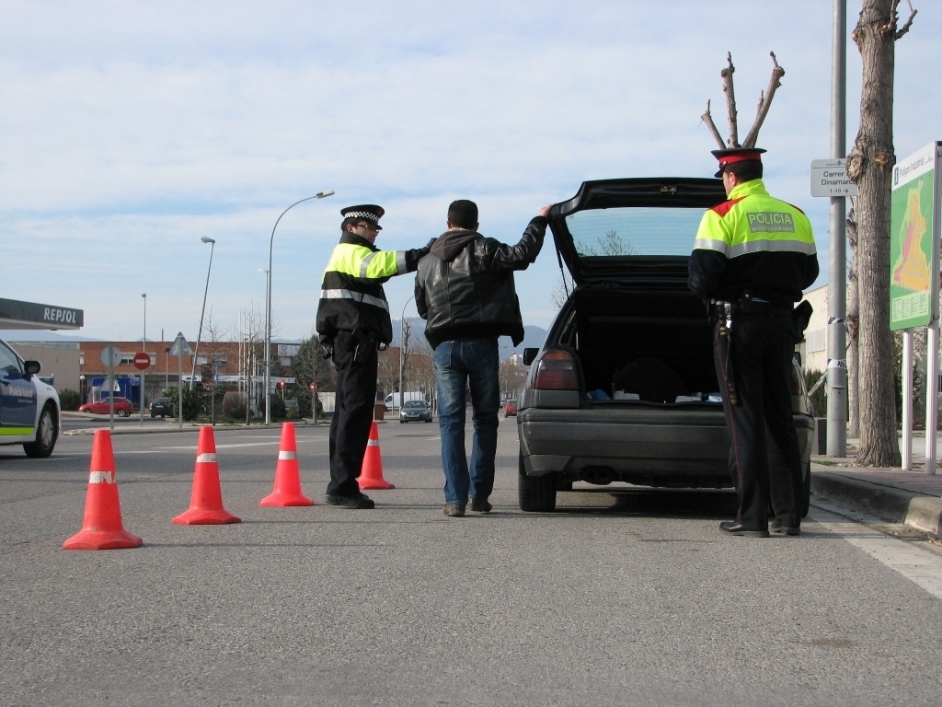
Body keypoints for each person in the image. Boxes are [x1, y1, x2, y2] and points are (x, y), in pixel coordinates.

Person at [688, 148, 819, 537]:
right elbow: (809, 271)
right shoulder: (795, 214)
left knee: (745, 420)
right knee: (780, 419)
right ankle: (789, 515)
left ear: (730, 178)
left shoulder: (722, 215)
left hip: (737, 326)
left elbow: (701, 278)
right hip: (781, 325)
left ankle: (751, 516)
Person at [415, 199, 550, 517]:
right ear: (476, 225)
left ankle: (454, 500)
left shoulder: (426, 259)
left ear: (448, 224)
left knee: (450, 422)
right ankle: (479, 495)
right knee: (486, 420)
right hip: (482, 344)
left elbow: (423, 309)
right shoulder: (485, 248)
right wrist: (539, 220)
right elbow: (523, 254)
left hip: (445, 346)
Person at [316, 204, 431, 509]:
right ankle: (342, 486)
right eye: (370, 227)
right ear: (352, 227)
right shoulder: (351, 252)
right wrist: (422, 253)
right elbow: (381, 265)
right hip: (355, 344)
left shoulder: (348, 255)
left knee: (346, 413)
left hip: (350, 344)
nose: (375, 232)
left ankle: (341, 482)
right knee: (355, 413)